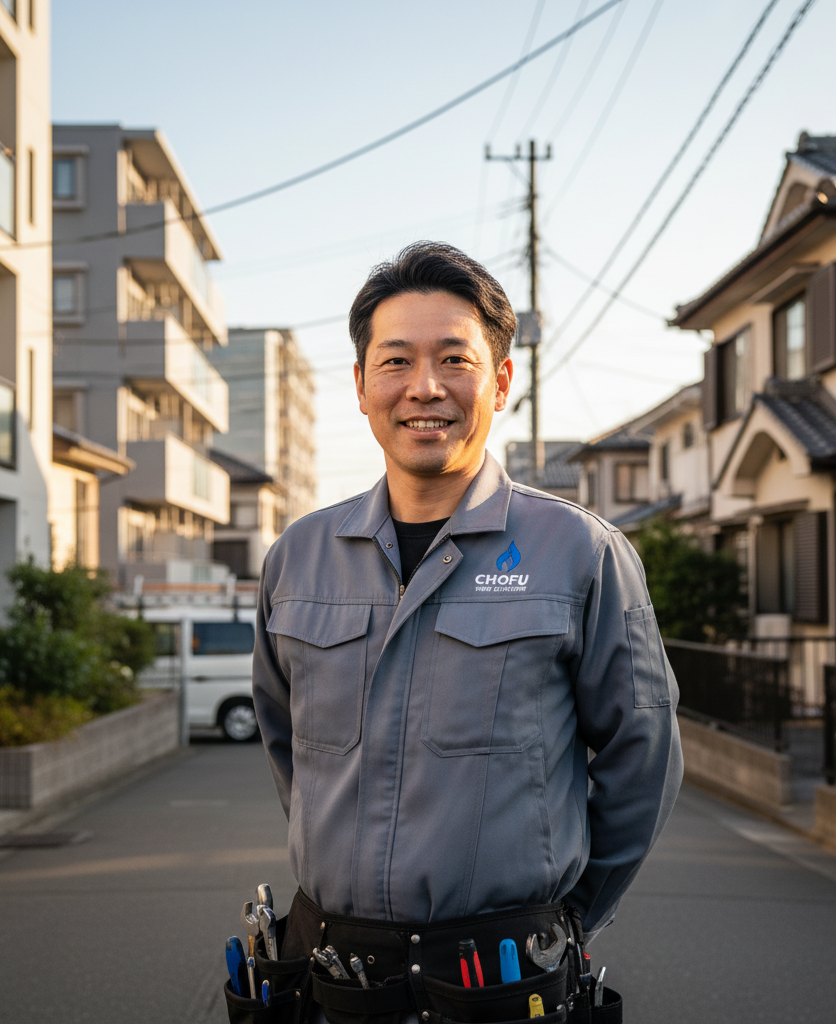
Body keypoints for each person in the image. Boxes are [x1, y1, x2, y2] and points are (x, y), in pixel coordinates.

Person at [248, 242, 681, 1024]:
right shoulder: (297, 559)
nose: (425, 387)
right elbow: (291, 753)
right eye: (395, 361)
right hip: (329, 971)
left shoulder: (579, 553)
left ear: (501, 381)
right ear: (360, 385)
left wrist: (566, 920)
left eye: (455, 359)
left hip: (502, 979)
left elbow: (643, 756)